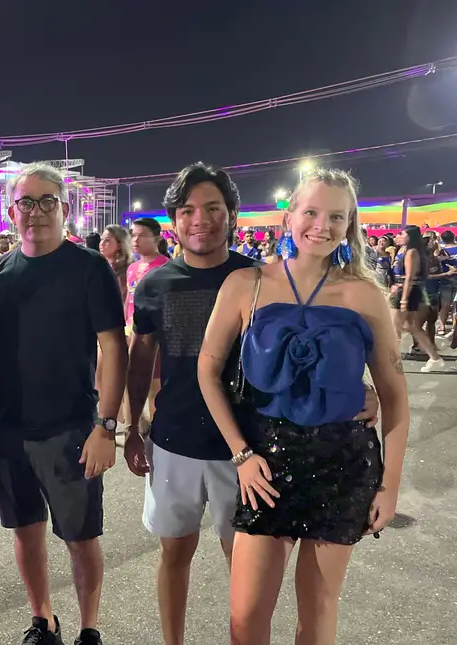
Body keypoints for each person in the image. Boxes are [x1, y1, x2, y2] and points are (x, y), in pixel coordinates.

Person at [124, 163, 378, 645]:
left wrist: (361, 393)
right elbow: (140, 361)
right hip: (175, 439)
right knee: (173, 554)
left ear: (232, 215)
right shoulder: (155, 284)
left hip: (248, 449)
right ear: (173, 221)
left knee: (242, 570)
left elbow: (317, 346)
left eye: (213, 208)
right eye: (187, 210)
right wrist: (133, 427)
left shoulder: (257, 278)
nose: (200, 219)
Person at [198, 168, 407, 645]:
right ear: (289, 216)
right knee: (245, 619)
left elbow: (395, 397)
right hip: (266, 466)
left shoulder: (364, 295)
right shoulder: (245, 283)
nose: (322, 226)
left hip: (343, 465)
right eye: (311, 212)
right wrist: (241, 454)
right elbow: (207, 371)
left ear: (349, 224)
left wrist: (389, 486)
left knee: (317, 616)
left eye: (336, 216)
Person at [0, 163, 127, 645]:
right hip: (9, 427)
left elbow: (113, 347)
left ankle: (89, 628)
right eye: (26, 202)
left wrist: (106, 426)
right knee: (25, 530)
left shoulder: (89, 267)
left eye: (47, 202)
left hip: (72, 428)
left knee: (81, 537)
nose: (36, 211)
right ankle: (43, 620)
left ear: (65, 209)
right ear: (11, 212)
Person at [390, 225, 445, 372]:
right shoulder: (405, 250)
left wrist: (403, 299)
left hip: (405, 291)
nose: (398, 236)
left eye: (402, 234)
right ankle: (434, 358)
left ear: (410, 237)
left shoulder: (412, 252)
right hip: (404, 289)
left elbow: (410, 277)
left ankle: (393, 362)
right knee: (411, 326)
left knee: (395, 327)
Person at [98, 224, 133, 299]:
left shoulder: (126, 270)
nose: (102, 244)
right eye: (101, 239)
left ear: (119, 245)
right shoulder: (99, 265)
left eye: (107, 240)